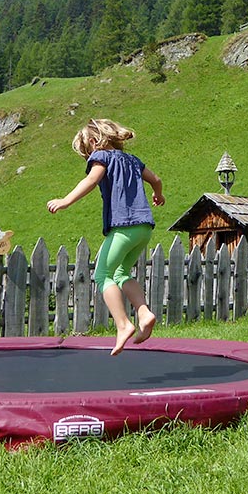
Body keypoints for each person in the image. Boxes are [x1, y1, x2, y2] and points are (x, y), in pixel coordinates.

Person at [47, 118, 164, 355]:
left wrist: (65, 201)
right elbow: (156, 180)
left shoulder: (101, 157)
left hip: (123, 227)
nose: (88, 157)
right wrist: (158, 195)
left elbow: (91, 180)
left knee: (102, 275)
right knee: (121, 273)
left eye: (87, 152)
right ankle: (144, 313)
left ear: (93, 141)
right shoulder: (132, 160)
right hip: (144, 228)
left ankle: (123, 324)